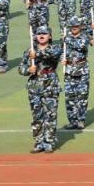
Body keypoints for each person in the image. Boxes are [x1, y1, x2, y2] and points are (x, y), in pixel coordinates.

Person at [18, 25, 61, 154]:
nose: (41, 36)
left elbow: (52, 55)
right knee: (37, 115)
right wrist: (28, 70)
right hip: (34, 84)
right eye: (39, 34)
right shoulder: (29, 51)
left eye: (44, 33)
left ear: (50, 36)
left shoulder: (54, 48)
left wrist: (36, 54)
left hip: (50, 83)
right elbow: (21, 68)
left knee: (50, 114)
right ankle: (39, 141)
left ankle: (49, 142)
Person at [61, 16, 90, 130]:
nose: (74, 27)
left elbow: (80, 45)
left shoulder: (84, 37)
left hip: (82, 70)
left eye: (76, 25)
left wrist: (66, 39)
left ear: (80, 27)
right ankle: (72, 121)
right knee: (70, 97)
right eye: (72, 25)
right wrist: (62, 60)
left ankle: (81, 120)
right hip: (69, 71)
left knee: (82, 96)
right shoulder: (66, 38)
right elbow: (61, 52)